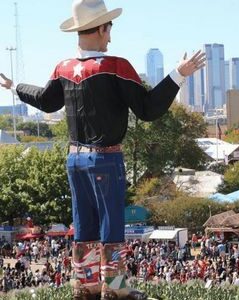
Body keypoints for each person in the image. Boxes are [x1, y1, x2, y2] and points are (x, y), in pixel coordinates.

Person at [0, 0, 205, 299]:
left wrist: (14, 86)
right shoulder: (115, 66)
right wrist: (178, 73)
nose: (110, 36)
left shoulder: (64, 68)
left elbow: (46, 101)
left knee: (83, 223)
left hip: (74, 161)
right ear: (100, 28)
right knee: (111, 225)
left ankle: (84, 285)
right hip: (106, 159)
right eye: (109, 29)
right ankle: (115, 289)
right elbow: (148, 108)